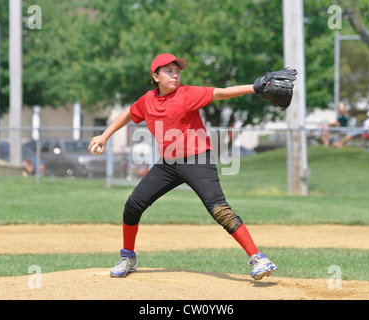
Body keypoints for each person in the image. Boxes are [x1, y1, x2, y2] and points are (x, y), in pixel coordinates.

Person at [89, 53, 277, 281]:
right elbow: (129, 113)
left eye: (177, 71)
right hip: (168, 164)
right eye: (168, 71)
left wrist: (255, 87)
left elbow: (222, 93)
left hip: (198, 159)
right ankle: (128, 256)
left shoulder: (188, 94)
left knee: (220, 210)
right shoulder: (147, 100)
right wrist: (105, 136)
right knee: (133, 205)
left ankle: (258, 257)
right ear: (155, 76)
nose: (175, 75)